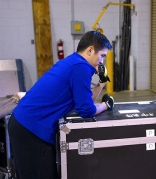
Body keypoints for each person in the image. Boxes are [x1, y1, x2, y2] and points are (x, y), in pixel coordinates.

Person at [8, 31, 114, 178]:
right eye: (101, 56)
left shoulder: (74, 61)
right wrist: (106, 105)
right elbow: (87, 110)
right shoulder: (81, 68)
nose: (101, 61)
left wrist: (101, 83)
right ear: (90, 50)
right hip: (31, 129)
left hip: (23, 124)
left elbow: (82, 101)